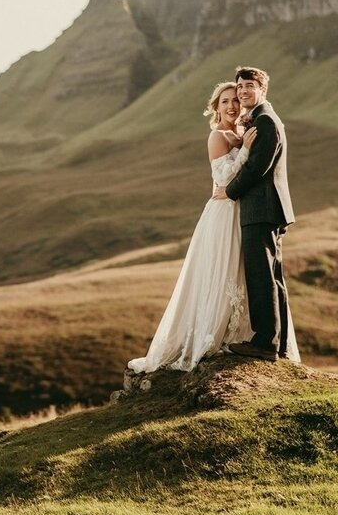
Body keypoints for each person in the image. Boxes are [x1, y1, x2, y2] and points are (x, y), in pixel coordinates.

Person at [128, 81, 299, 374]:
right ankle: (214, 333)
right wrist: (244, 151)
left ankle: (252, 336)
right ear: (215, 107)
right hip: (223, 211)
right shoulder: (218, 136)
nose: (232, 106)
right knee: (222, 270)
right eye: (225, 102)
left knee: (246, 272)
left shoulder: (243, 133)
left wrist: (243, 145)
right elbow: (222, 175)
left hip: (241, 209)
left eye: (235, 100)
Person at [213, 66, 297, 362]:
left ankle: (264, 343)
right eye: (240, 87)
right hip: (266, 207)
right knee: (273, 277)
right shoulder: (262, 118)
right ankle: (280, 343)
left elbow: (258, 166)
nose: (243, 91)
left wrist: (230, 191)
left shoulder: (265, 120)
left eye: (249, 85)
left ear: (263, 89)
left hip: (261, 207)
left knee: (262, 276)